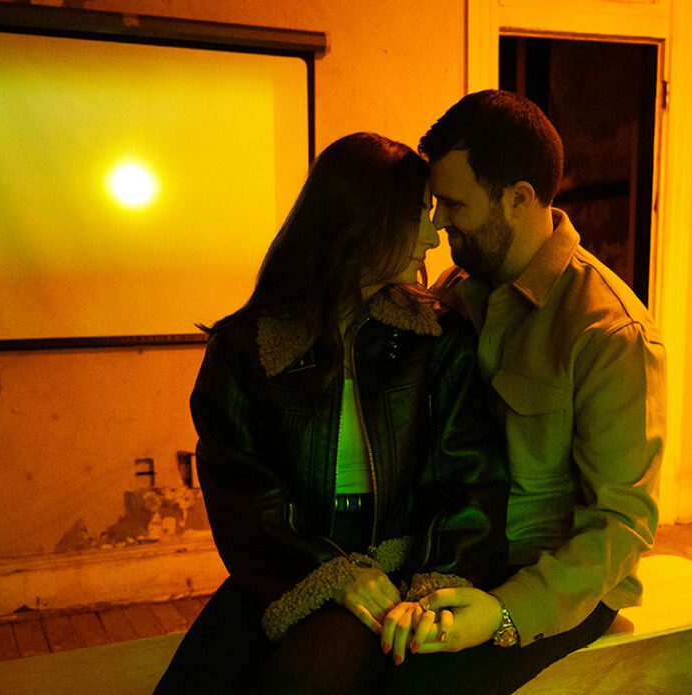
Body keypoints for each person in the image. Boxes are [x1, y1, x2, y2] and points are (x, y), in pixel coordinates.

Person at [152, 132, 508, 695]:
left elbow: (471, 484)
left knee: (300, 683)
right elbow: (240, 489)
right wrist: (331, 573)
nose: (433, 233)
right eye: (417, 215)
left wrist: (430, 592)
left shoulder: (437, 340)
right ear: (364, 223)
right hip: (289, 563)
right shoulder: (246, 346)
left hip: (398, 566)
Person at [381, 90, 666, 694]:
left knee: (417, 684)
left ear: (517, 199)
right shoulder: (459, 288)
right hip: (463, 555)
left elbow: (621, 524)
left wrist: (506, 614)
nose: (435, 224)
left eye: (452, 205)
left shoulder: (610, 331)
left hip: (556, 583)